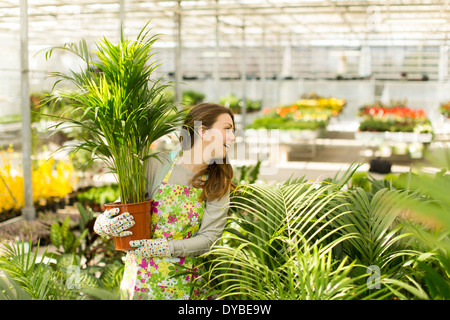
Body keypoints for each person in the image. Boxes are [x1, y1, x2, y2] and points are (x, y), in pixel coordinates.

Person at [94, 103, 236, 300]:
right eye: (227, 129)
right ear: (203, 132)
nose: (233, 137)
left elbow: (209, 239)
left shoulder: (218, 182)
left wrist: (165, 247)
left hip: (188, 286)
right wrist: (104, 222)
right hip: (140, 283)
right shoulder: (156, 164)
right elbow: (126, 205)